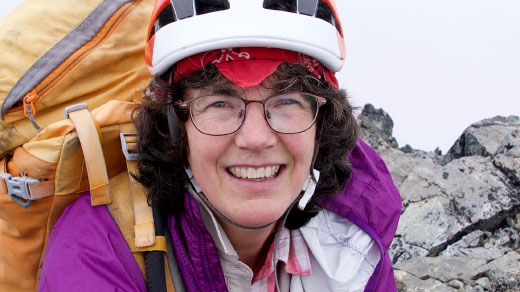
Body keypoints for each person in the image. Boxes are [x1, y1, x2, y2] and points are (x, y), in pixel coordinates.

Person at [38, 0, 402, 291]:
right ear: (174, 126)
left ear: (321, 125)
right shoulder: (96, 250)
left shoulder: (355, 242)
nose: (256, 139)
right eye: (220, 104)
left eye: (288, 101)